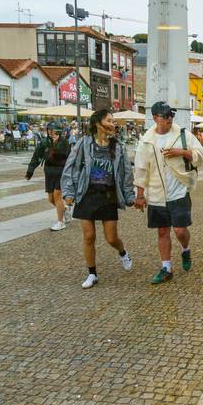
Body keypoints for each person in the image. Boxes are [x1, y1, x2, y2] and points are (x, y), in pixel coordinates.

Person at [61, 109, 135, 289]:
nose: (112, 123)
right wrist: (69, 193)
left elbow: (126, 173)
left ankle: (122, 251)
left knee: (111, 238)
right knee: (88, 236)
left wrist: (129, 195)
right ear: (97, 123)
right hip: (87, 193)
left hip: (108, 195)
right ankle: (92, 273)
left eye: (113, 120)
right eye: (109, 120)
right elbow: (70, 168)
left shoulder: (117, 147)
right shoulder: (83, 144)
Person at [133, 101, 203, 284]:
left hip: (179, 191)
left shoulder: (183, 135)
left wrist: (182, 152)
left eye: (171, 115)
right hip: (156, 193)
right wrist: (140, 195)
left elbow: (201, 155)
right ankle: (166, 267)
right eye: (165, 116)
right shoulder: (147, 140)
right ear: (155, 117)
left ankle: (185, 248)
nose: (169, 119)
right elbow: (141, 169)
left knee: (180, 230)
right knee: (162, 231)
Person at [26, 122, 72, 231]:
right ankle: (64, 210)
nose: (51, 132)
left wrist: (55, 145)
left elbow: (65, 155)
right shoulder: (44, 142)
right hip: (49, 172)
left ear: (59, 131)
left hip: (61, 172)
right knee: (51, 200)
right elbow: (36, 157)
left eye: (54, 130)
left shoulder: (64, 142)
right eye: (49, 130)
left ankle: (61, 222)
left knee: (57, 196)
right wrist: (30, 171)